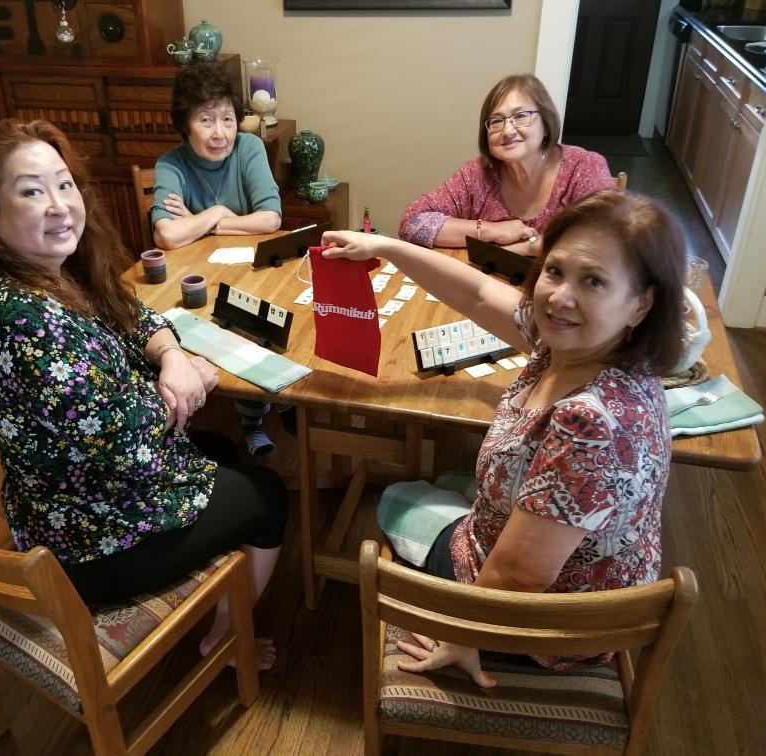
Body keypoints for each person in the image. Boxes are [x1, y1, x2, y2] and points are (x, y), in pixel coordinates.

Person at [0, 118, 286, 670]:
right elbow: (118, 441)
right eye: (32, 191)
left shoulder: (52, 273)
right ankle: (229, 643)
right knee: (269, 494)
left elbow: (133, 312)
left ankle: (221, 597)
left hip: (89, 499)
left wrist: (173, 356)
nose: (60, 205)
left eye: (64, 184)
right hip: (86, 541)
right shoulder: (17, 315)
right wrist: (190, 384)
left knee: (223, 452)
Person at [323, 188, 685, 687]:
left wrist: (465, 637)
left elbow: (520, 577)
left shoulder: (592, 426)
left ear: (641, 305)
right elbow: (475, 293)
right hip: (578, 573)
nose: (559, 296)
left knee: (395, 495)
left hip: (542, 627)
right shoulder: (591, 347)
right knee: (451, 480)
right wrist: (385, 247)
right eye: (555, 271)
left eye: (594, 281)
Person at [152, 61, 288, 456]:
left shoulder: (248, 148)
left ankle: (268, 401)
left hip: (252, 270)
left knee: (257, 318)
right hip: (195, 279)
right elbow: (167, 234)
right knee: (217, 323)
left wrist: (197, 222)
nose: (220, 133)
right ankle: (252, 415)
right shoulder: (171, 164)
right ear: (185, 125)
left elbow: (271, 217)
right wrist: (216, 215)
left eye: (227, 119)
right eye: (206, 120)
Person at [398, 73, 616, 254]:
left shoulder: (584, 167)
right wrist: (491, 231)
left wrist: (526, 247)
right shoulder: (477, 173)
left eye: (520, 116)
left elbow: (603, 241)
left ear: (546, 123)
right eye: (496, 121)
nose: (508, 131)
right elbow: (413, 223)